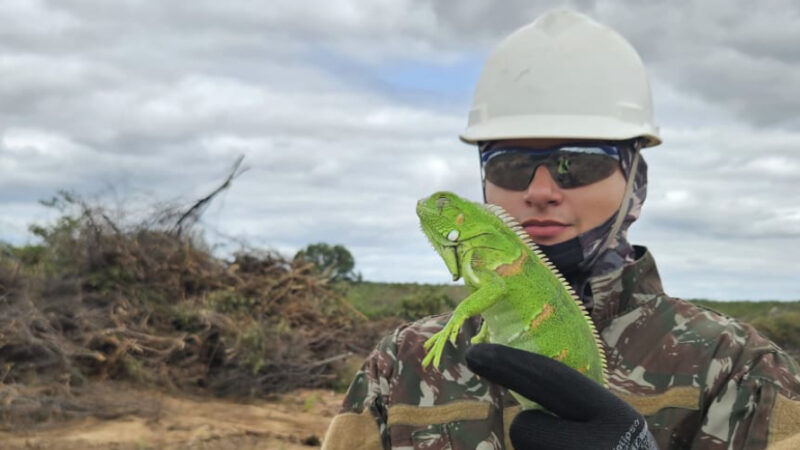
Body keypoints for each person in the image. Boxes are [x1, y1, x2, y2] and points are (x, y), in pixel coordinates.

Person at [322, 9, 800, 450]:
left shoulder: (737, 366)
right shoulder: (404, 361)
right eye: (510, 165)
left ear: (637, 182)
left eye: (578, 165)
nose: (542, 191)